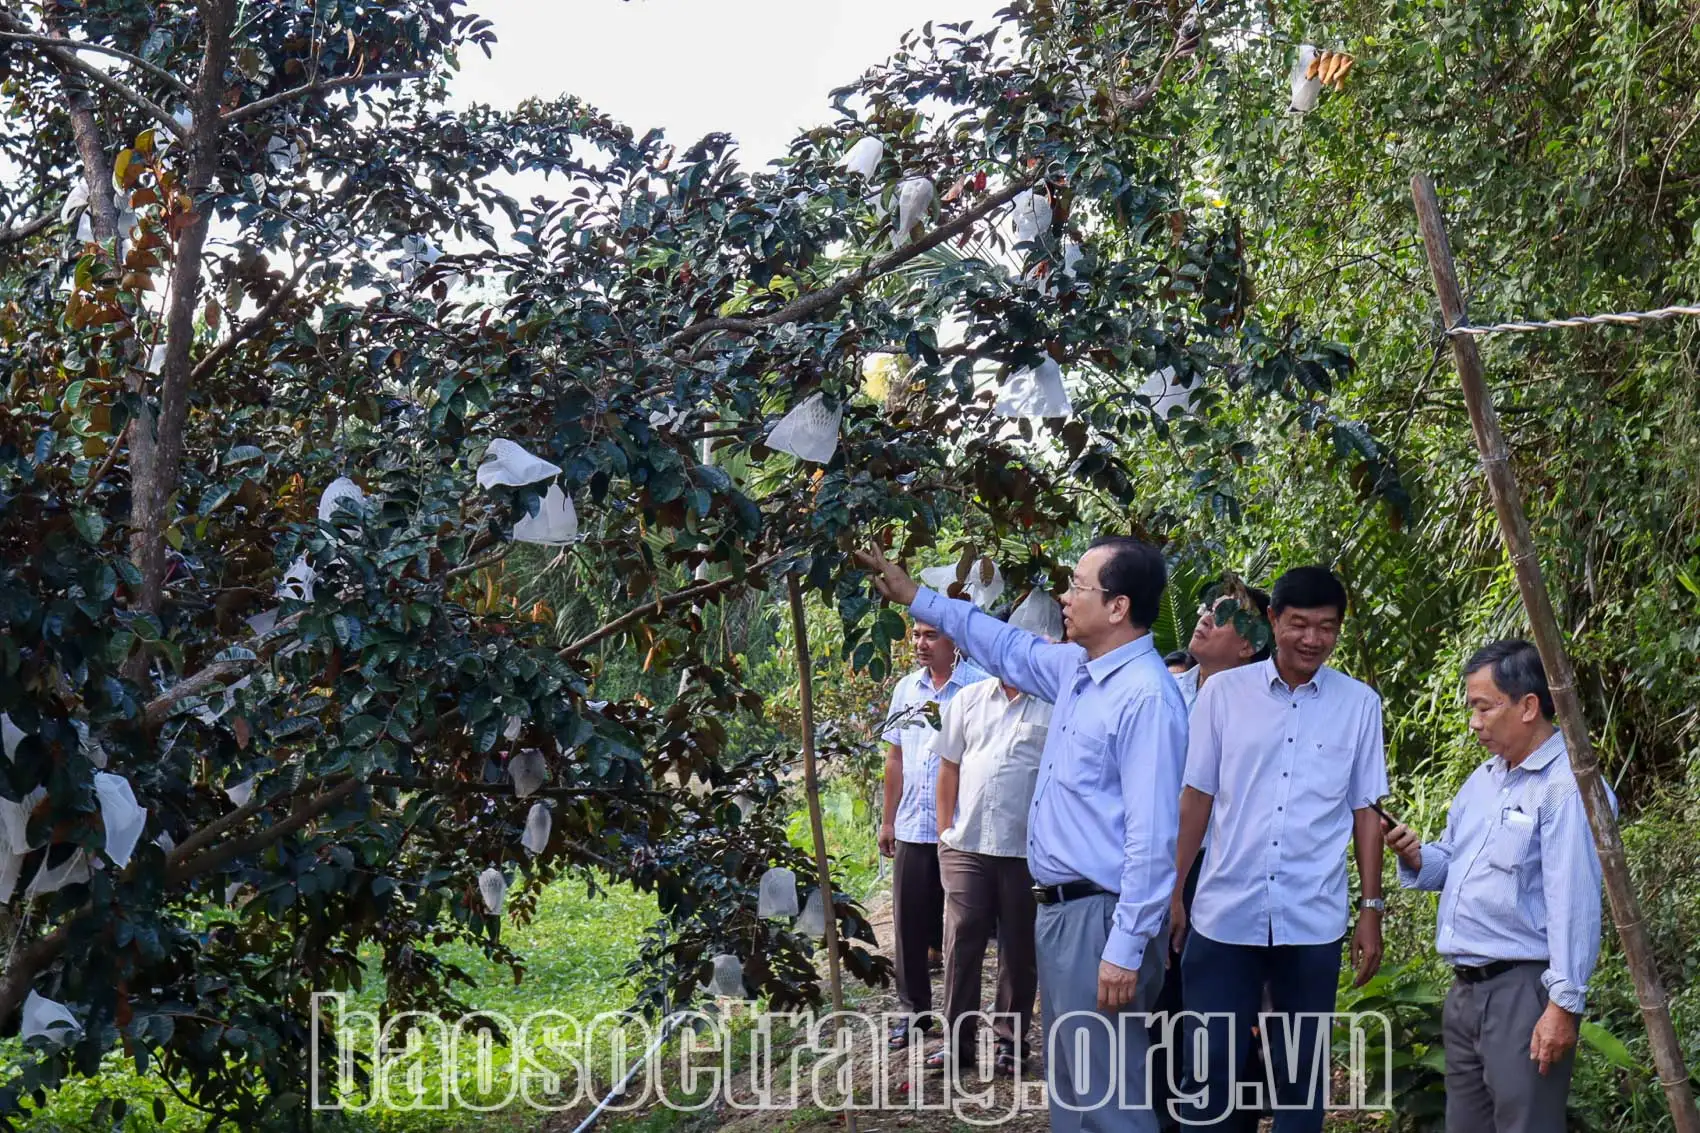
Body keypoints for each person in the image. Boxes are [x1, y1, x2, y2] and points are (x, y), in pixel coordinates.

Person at [857, 537, 1187, 1133]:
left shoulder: (1145, 697)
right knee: (1075, 1090)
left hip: (1102, 919)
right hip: (1063, 915)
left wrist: (1125, 946)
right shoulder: (1077, 673)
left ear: (1118, 606)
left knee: (1110, 1096)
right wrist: (916, 597)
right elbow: (1002, 644)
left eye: (1079, 587)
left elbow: (1153, 836)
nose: (1065, 596)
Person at [1170, 566, 1387, 1132]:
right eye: (1299, 624)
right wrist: (1172, 892)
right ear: (1271, 622)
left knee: (1298, 1078)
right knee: (1210, 1071)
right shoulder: (1222, 694)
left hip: (1311, 921)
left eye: (1327, 627)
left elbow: (1367, 810)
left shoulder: (1359, 704)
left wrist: (1371, 909)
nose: (1312, 639)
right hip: (1224, 915)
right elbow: (1196, 799)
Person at [1383, 640, 1607, 1133]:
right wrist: (1418, 855)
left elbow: (1575, 901)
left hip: (1524, 991)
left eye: (1484, 708)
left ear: (1528, 706)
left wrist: (1562, 1007)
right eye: (1471, 709)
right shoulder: (1484, 781)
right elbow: (1455, 865)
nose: (1474, 723)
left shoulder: (1567, 787)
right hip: (1466, 991)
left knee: (1526, 1123)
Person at [1152, 581, 1271, 1132]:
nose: (1202, 619)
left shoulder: (1262, 709)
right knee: (1162, 1001)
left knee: (1220, 1011)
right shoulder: (1170, 693)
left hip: (1220, 870)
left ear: (1250, 642)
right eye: (1204, 609)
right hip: (1161, 863)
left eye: (1220, 616)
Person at [928, 598, 1061, 1077]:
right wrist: (946, 833)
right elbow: (949, 767)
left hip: (1026, 851)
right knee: (961, 942)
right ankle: (957, 1042)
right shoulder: (968, 699)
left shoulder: (1056, 703)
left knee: (1019, 950)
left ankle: (1010, 1042)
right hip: (966, 847)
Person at [879, 619, 986, 1050]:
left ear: (953, 640)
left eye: (930, 635)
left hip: (962, 829)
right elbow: (895, 757)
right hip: (912, 826)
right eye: (916, 634)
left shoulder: (978, 688)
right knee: (908, 923)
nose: (920, 644)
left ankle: (959, 1018)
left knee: (961, 928)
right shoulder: (906, 689)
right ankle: (913, 1012)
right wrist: (888, 820)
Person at [1172, 583, 1272, 713]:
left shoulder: (1256, 713)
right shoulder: (1165, 688)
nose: (1205, 619)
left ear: (1249, 646)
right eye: (1208, 609)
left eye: (1221, 617)